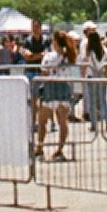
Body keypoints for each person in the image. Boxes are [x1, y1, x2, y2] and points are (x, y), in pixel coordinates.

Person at [33, 31, 76, 160]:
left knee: (42, 121)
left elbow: (44, 72)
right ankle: (59, 149)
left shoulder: (49, 56)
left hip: (50, 88)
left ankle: (39, 148)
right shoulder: (70, 56)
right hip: (64, 88)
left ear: (55, 42)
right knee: (63, 121)